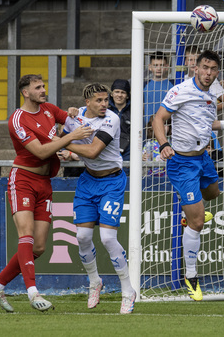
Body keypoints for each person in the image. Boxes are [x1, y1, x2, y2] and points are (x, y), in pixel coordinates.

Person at [0, 74, 93, 313]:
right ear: (25, 92)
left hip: (45, 183)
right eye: (38, 87)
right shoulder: (17, 119)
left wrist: (74, 113)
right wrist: (68, 139)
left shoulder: (48, 110)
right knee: (27, 234)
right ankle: (33, 292)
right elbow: (41, 151)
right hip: (23, 179)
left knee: (39, 247)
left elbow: (73, 120)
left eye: (43, 86)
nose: (43, 90)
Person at [152, 50, 224, 301]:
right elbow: (158, 118)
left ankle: (192, 215)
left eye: (213, 69)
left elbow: (207, 122)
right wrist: (164, 144)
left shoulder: (214, 89)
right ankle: (192, 276)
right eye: (204, 67)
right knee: (198, 222)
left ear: (217, 71)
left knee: (213, 194)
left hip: (204, 158)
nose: (208, 73)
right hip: (181, 162)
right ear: (195, 68)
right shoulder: (180, 90)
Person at [62, 83, 136, 314]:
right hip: (87, 181)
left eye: (106, 100)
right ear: (87, 103)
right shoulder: (74, 119)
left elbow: (93, 151)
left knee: (107, 239)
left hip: (112, 182)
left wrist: (68, 144)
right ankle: (95, 282)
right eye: (100, 101)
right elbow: (57, 138)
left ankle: (128, 290)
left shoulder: (111, 119)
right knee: (82, 236)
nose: (105, 104)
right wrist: (67, 139)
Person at [143, 51, 173, 125]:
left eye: (162, 65)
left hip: (167, 126)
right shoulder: (144, 85)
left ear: (167, 67)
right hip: (148, 127)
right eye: (155, 65)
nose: (159, 68)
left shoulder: (173, 85)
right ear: (150, 67)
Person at [109, 79, 132, 162]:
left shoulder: (135, 112)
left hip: (129, 153)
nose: (119, 95)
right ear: (111, 94)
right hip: (108, 152)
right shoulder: (105, 111)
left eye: (123, 92)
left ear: (127, 96)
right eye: (117, 92)